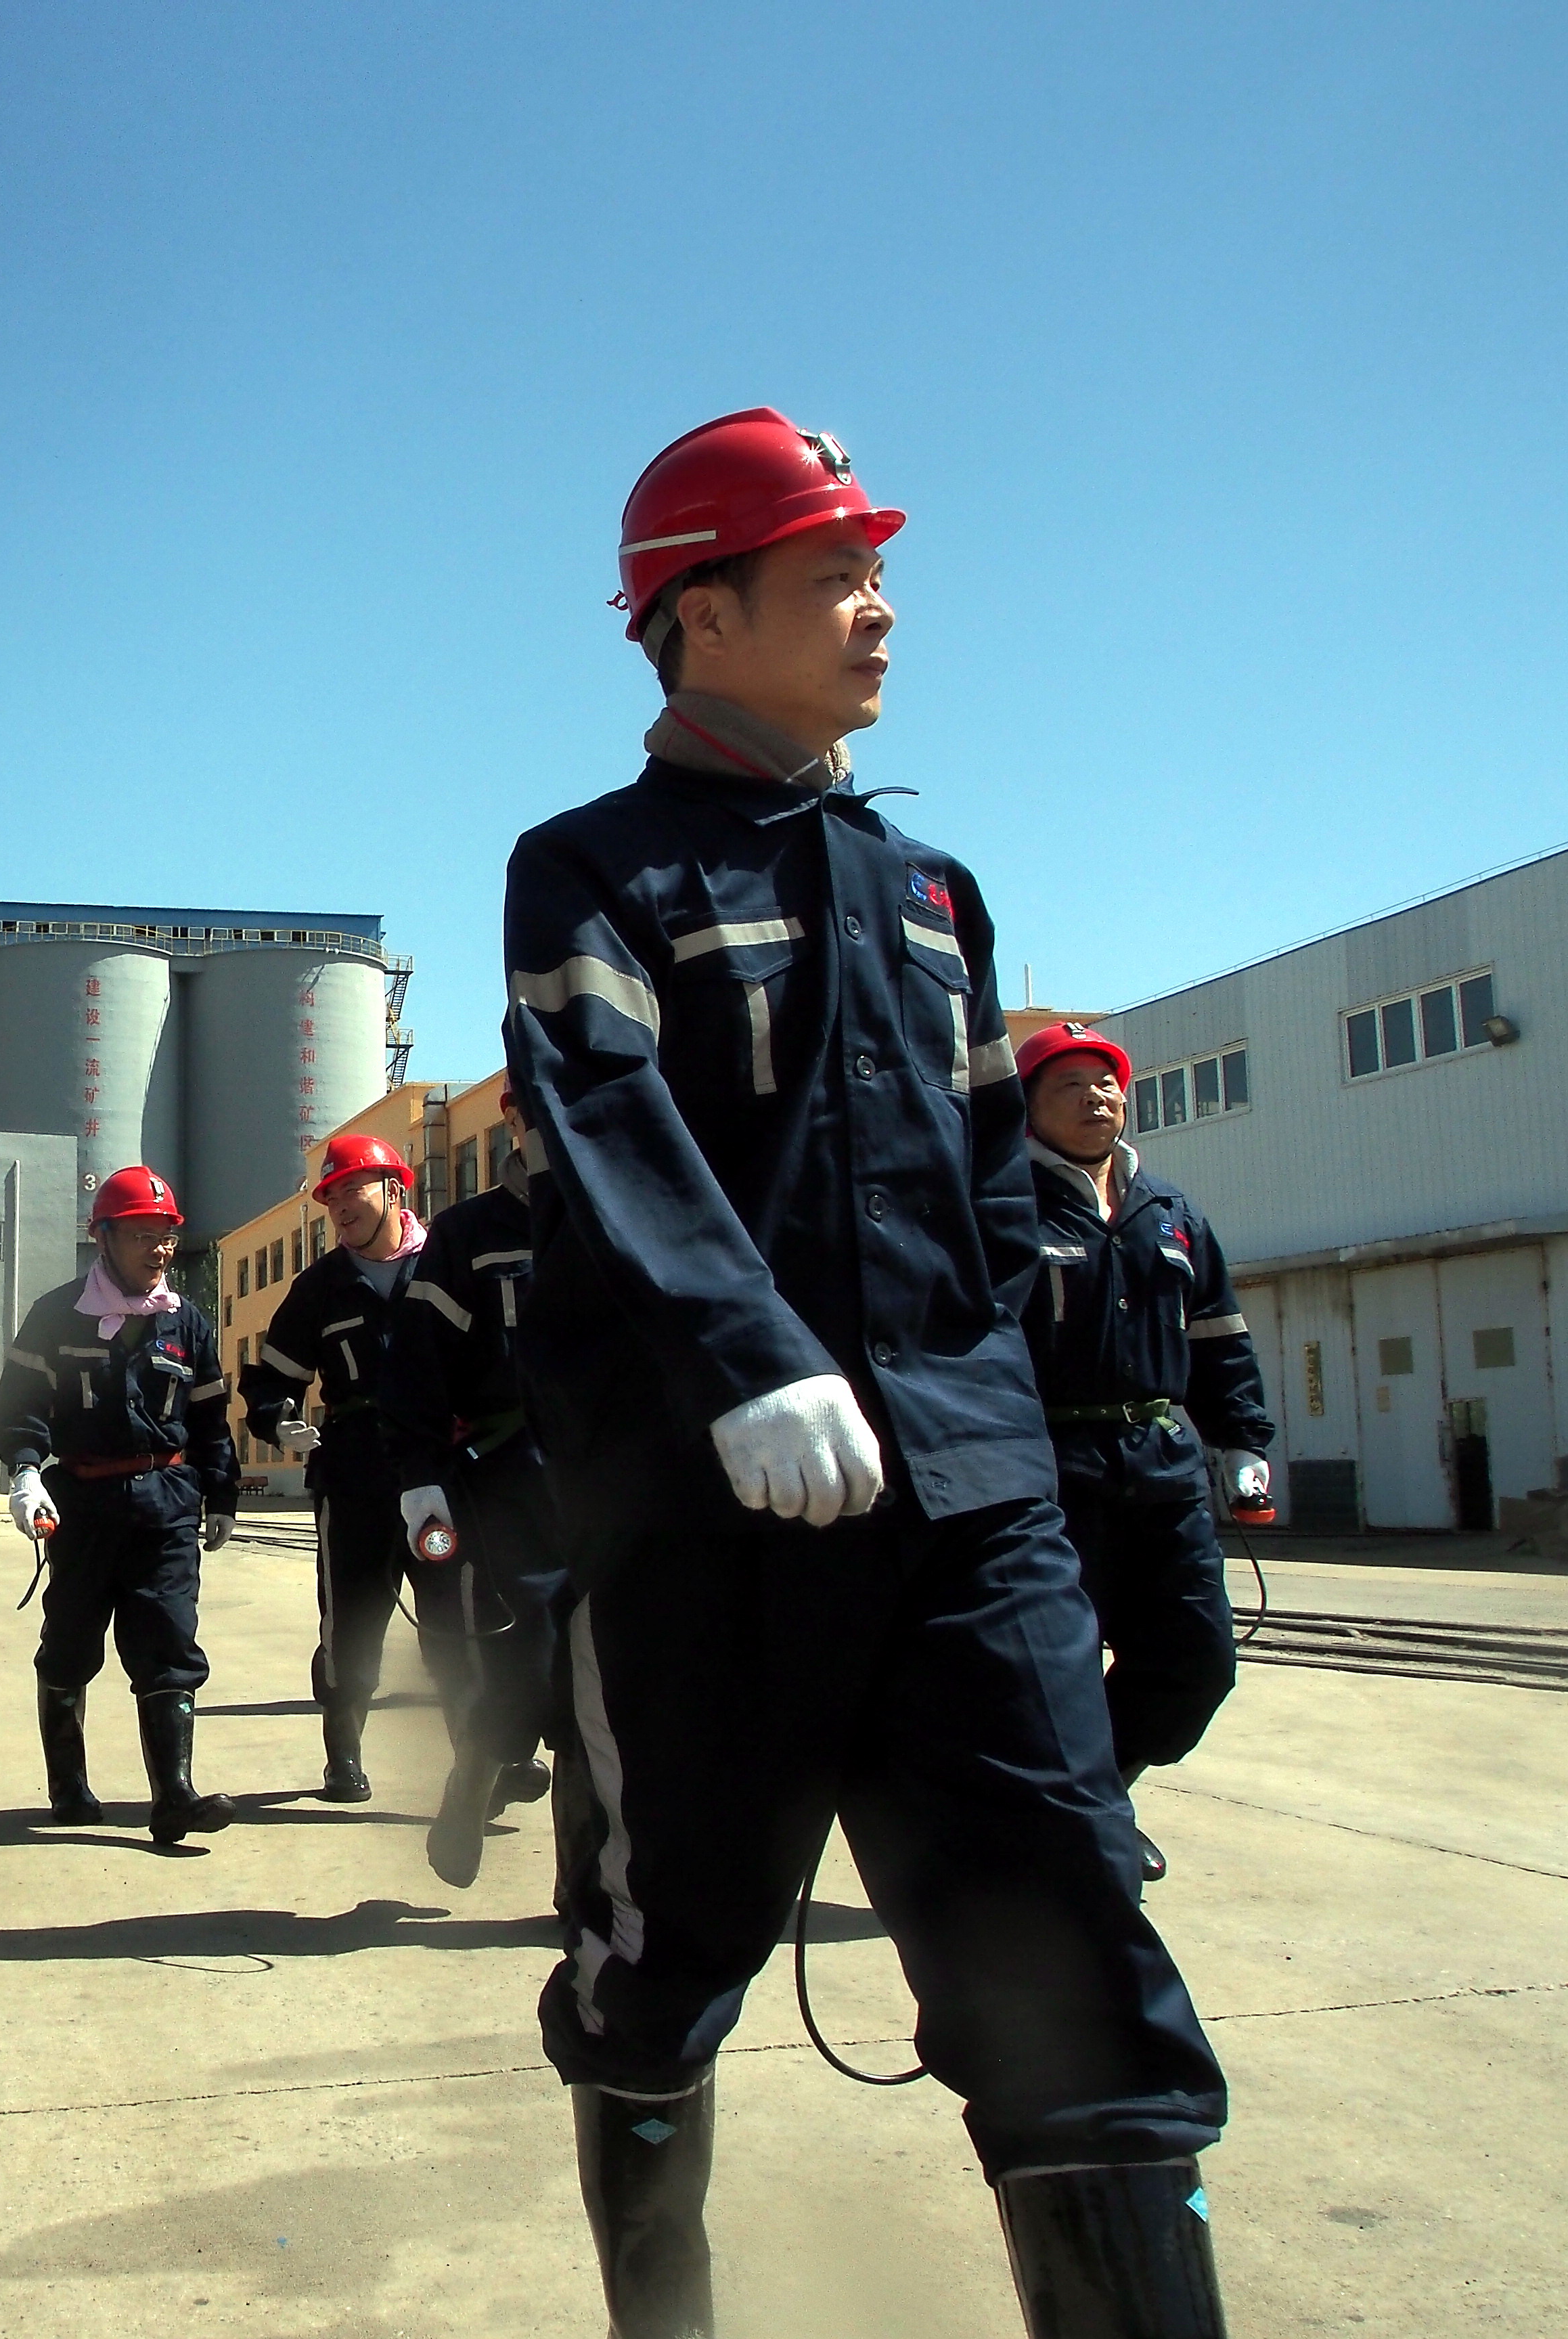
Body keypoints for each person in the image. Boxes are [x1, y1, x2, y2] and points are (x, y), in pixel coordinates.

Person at [502, 409, 1228, 2336]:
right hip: (713, 1524)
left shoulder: (933, 894)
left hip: (966, 1516)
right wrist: (744, 1362)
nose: (881, 611)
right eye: (836, 576)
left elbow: (999, 1195)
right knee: (667, 1957)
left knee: (1074, 1958)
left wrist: (1004, 1419)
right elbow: (607, 1113)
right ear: (699, 614)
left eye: (876, 572)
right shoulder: (594, 872)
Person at [1017, 1021, 1276, 1885]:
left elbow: (1220, 1334)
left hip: (1160, 1467)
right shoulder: (1003, 1207)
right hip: (1052, 1470)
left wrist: (1242, 1437)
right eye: (1071, 1086)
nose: (1097, 1098)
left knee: (1196, 1661)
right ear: (1028, 1106)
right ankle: (1083, 1826)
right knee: (1056, 1668)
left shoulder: (1171, 1212)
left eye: (1107, 1084)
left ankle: (1104, 1793)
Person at [0, 1164, 239, 1846]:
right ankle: (68, 1788)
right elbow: (18, 1410)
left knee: (168, 1643)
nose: (159, 1250)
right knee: (69, 1644)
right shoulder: (55, 1316)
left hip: (166, 1506)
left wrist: (221, 1494)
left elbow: (211, 1416)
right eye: (142, 1236)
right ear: (104, 1238)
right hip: (84, 1503)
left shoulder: (185, 1322)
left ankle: (174, 1798)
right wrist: (25, 1472)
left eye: (165, 1236)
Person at [382, 1086, 564, 1890]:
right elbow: (419, 1367)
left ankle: (589, 1896)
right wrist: (421, 1476)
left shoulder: (643, 1211)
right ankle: (481, 1766)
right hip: (515, 1478)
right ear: (514, 1118)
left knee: (617, 1693)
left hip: (626, 1478)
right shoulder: (468, 1236)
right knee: (533, 1655)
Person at [237, 1132, 438, 1806]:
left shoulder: (445, 1265)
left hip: (444, 1470)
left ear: (394, 1189)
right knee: (350, 1626)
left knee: (459, 1616)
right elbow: (271, 1382)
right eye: (331, 1196)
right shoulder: (320, 1289)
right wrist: (278, 1420)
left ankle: (484, 1756)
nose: (341, 1205)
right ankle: (343, 1753)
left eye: (354, 1188)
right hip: (353, 1477)